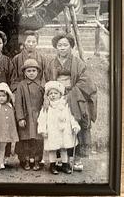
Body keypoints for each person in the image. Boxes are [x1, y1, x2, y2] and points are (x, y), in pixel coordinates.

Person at [45, 32, 97, 170]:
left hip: (74, 96)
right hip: (56, 97)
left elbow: (86, 81)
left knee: (75, 126)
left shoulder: (78, 62)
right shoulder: (51, 63)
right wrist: (52, 93)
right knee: (57, 127)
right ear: (56, 47)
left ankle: (77, 158)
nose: (62, 48)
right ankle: (61, 159)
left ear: (71, 46)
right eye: (59, 45)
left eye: (65, 45)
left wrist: (71, 92)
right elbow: (47, 81)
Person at [38, 81, 80, 175]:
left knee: (64, 148)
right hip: (52, 131)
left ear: (60, 94)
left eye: (55, 93)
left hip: (64, 130)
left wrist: (75, 126)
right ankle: (53, 165)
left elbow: (71, 116)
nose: (53, 95)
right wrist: (42, 130)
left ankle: (65, 165)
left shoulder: (65, 105)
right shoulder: (47, 107)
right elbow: (42, 119)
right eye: (51, 93)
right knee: (52, 148)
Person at [15, 59, 45, 171]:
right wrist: (20, 118)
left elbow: (45, 101)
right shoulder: (21, 85)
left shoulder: (41, 85)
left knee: (37, 139)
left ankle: (37, 160)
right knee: (25, 139)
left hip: (38, 117)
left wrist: (44, 116)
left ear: (38, 71)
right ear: (24, 72)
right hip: (26, 117)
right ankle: (26, 160)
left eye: (34, 70)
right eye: (28, 71)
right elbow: (18, 103)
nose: (31, 73)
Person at [0, 82, 19, 170]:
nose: (1, 98)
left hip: (5, 130)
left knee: (3, 146)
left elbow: (11, 120)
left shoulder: (9, 106)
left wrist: (11, 131)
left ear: (7, 97)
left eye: (3, 96)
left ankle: (1, 161)